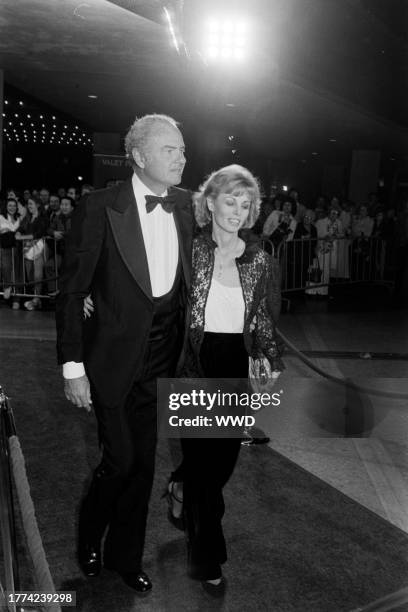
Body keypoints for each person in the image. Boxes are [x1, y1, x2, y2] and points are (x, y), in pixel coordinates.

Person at [56, 114, 192, 594]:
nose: (181, 157)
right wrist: (73, 368)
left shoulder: (187, 207)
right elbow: (72, 292)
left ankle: (125, 555)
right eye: (171, 150)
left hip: (162, 359)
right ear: (139, 156)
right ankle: (90, 534)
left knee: (145, 463)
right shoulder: (98, 206)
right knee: (120, 461)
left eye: (182, 150)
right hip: (110, 360)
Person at [165, 164, 283, 592]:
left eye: (246, 203)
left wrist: (267, 360)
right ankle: (207, 558)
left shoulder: (260, 259)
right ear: (210, 202)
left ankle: (178, 484)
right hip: (193, 364)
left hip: (235, 364)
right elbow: (154, 291)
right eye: (230, 199)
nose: (238, 209)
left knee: (221, 467)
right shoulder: (189, 250)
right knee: (203, 471)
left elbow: (265, 320)